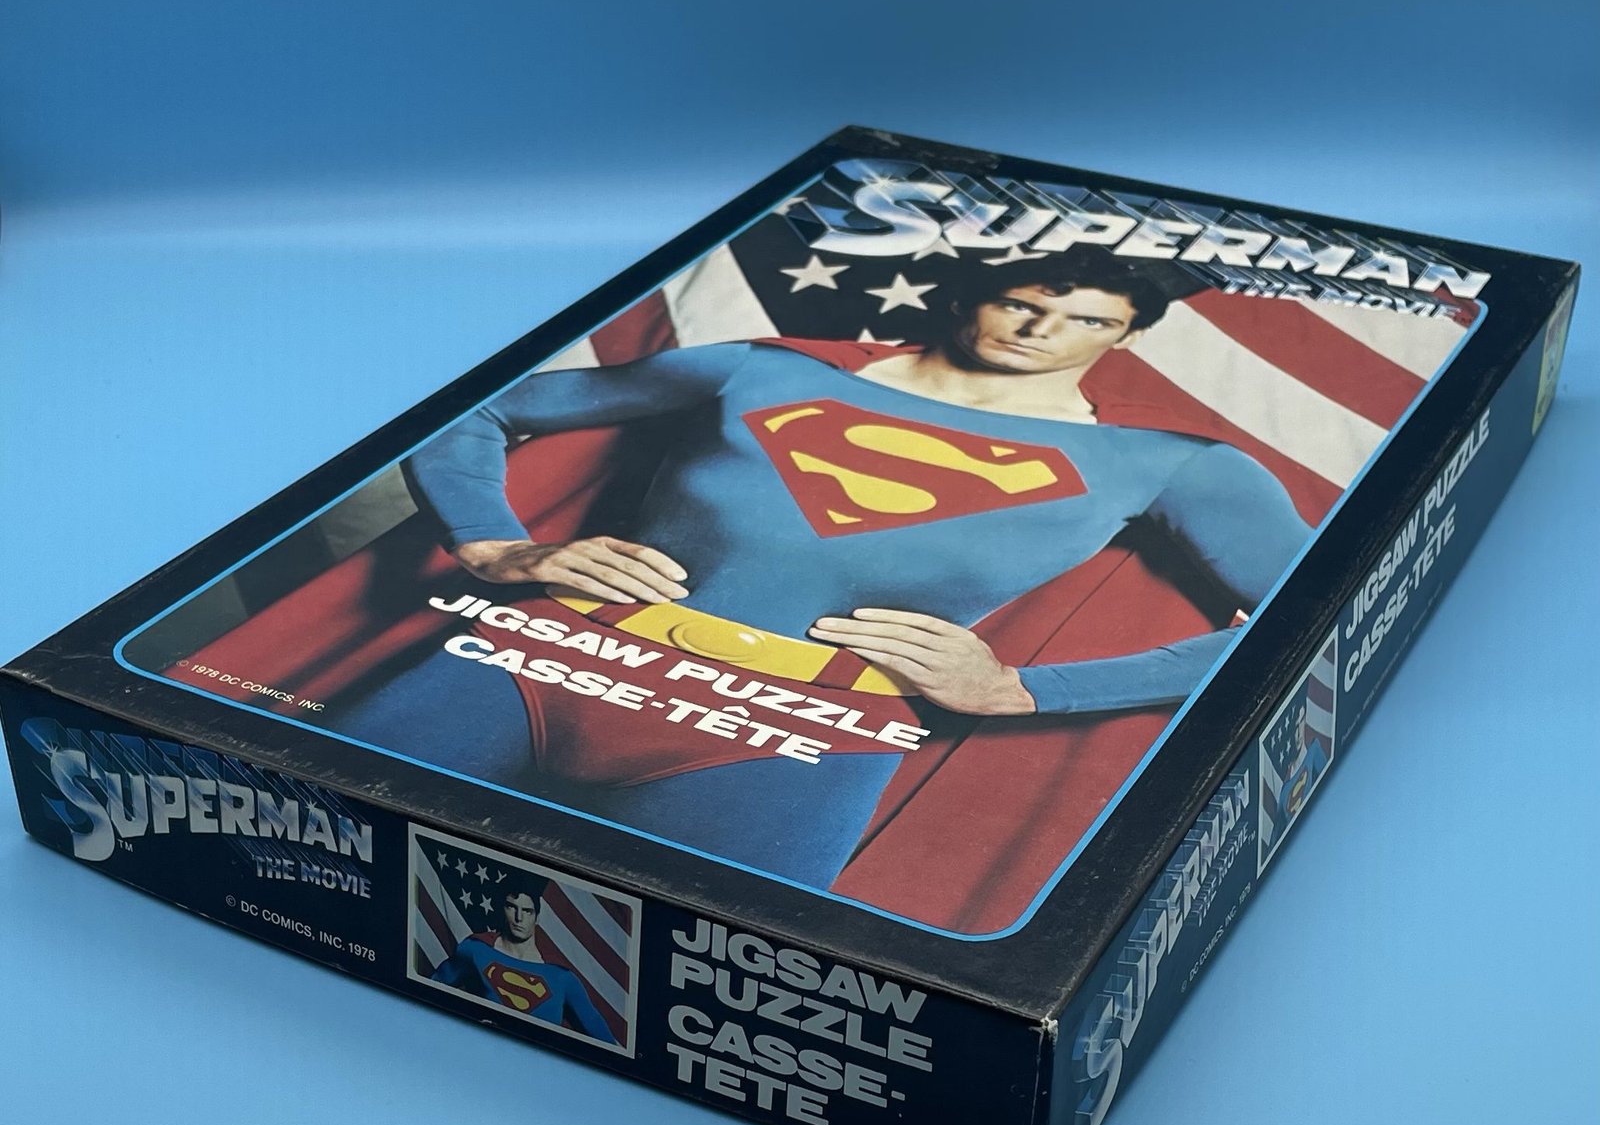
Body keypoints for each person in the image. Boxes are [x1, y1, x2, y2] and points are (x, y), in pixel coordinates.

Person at [342, 246, 1310, 888]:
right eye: (1021, 303)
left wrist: (1025, 689)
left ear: (1125, 336)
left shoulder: (1169, 461)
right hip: (557, 658)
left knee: (700, 972)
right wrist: (493, 540)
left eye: (1085, 320)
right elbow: (476, 407)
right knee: (316, 833)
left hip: (803, 730)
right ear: (972, 299)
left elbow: (1301, 614)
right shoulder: (765, 369)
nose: (1039, 329)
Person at [429, 873, 618, 1044]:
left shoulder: (561, 976)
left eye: (527, 911)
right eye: (512, 907)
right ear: (502, 909)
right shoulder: (475, 950)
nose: (519, 918)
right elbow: (430, 992)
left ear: (536, 917)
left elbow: (605, 1043)